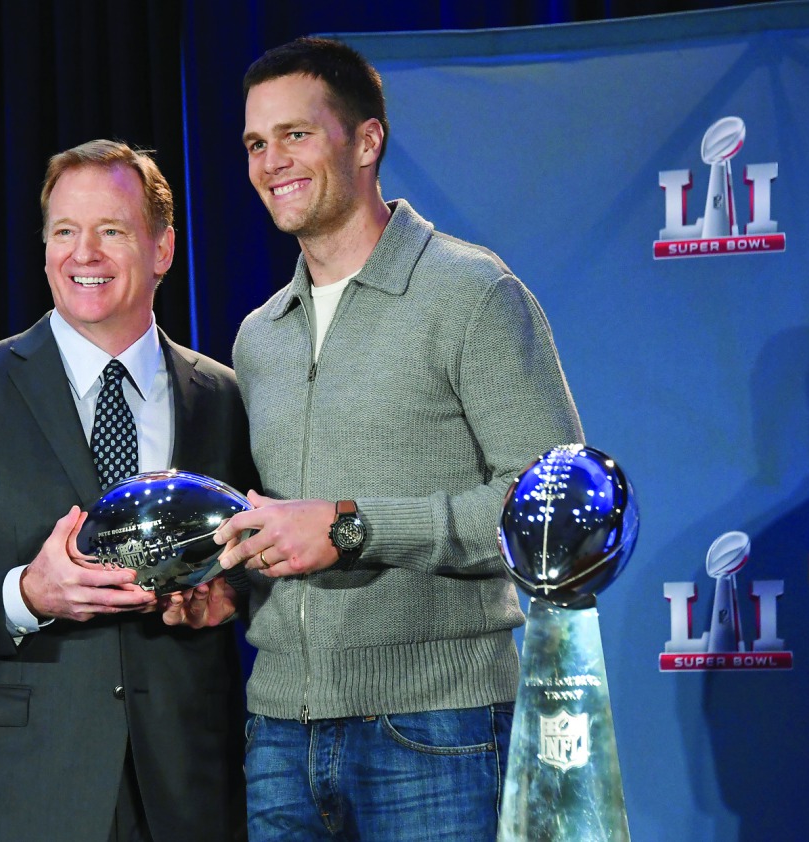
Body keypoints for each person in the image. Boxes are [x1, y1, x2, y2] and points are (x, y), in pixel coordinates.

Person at [211, 37, 584, 840]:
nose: (271, 161)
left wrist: (351, 528)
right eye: (254, 143)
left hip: (437, 727)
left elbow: (553, 515)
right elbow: (283, 535)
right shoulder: (258, 337)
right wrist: (226, 584)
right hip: (279, 734)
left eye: (296, 135)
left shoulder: (470, 292)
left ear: (368, 141)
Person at [0, 139, 255, 842]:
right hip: (24, 792)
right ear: (44, 248)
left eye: (112, 230)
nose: (86, 254)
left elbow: (255, 561)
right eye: (64, 232)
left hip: (187, 789)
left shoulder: (222, 397)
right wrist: (26, 594)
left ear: (162, 249)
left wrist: (227, 597)